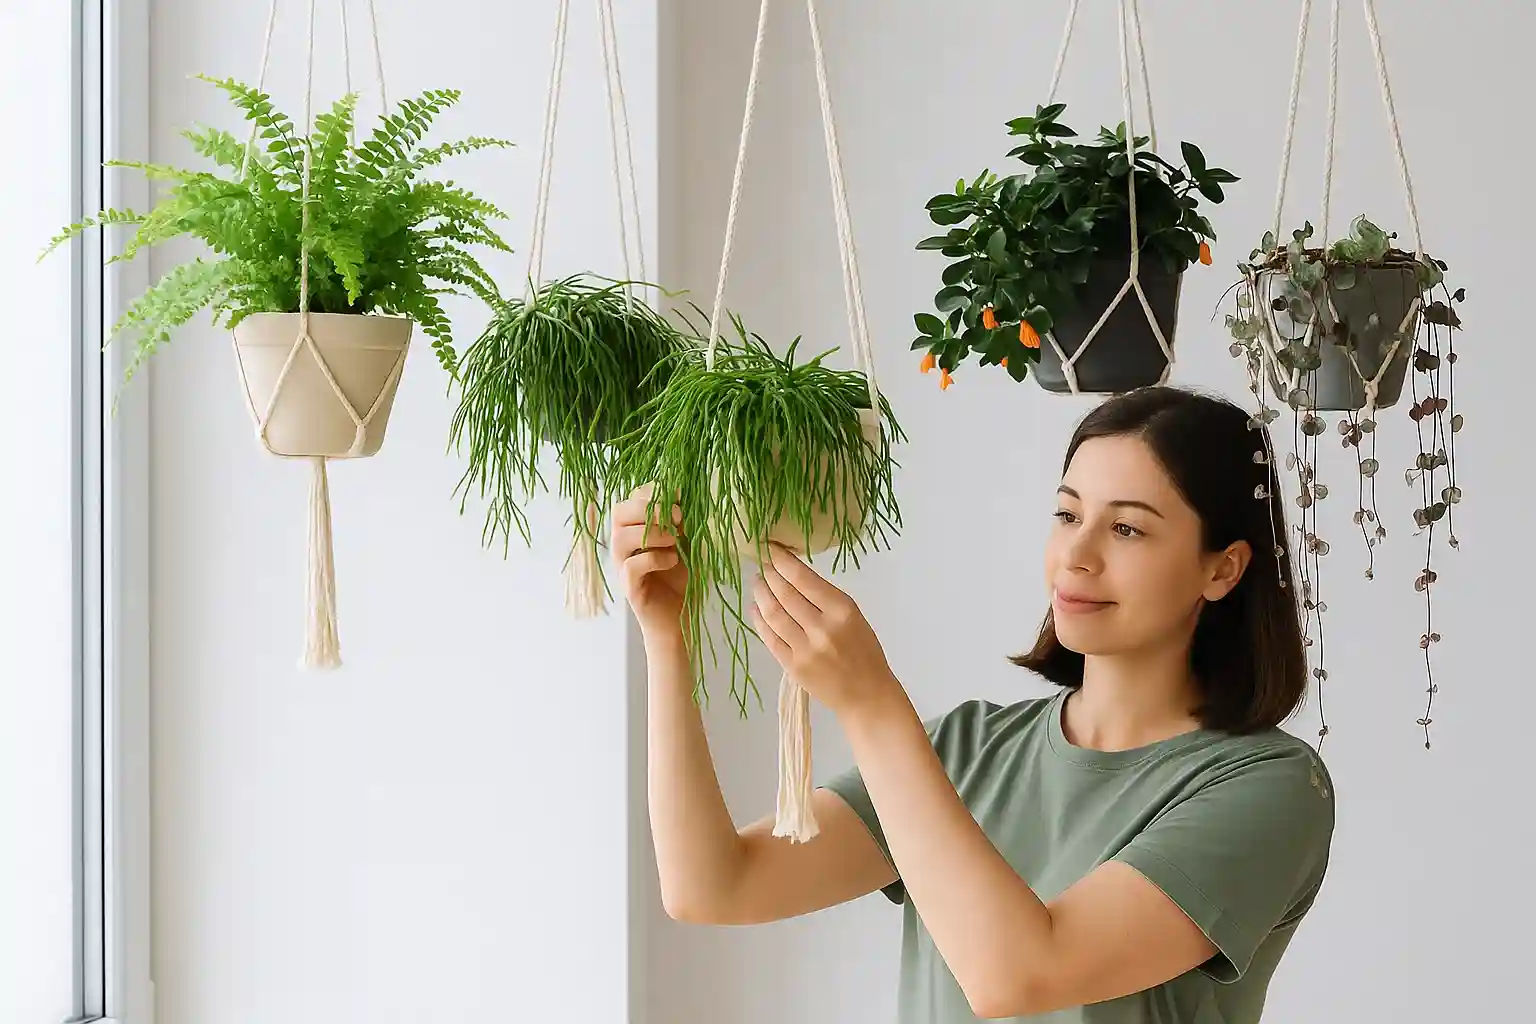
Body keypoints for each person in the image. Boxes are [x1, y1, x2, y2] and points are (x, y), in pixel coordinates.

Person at [610, 385, 1335, 1023]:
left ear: (1223, 568)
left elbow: (1018, 975)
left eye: (1127, 528)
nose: (1076, 555)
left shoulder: (1269, 787)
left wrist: (870, 705)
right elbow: (713, 886)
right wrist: (665, 637)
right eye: (1067, 514)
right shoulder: (969, 749)